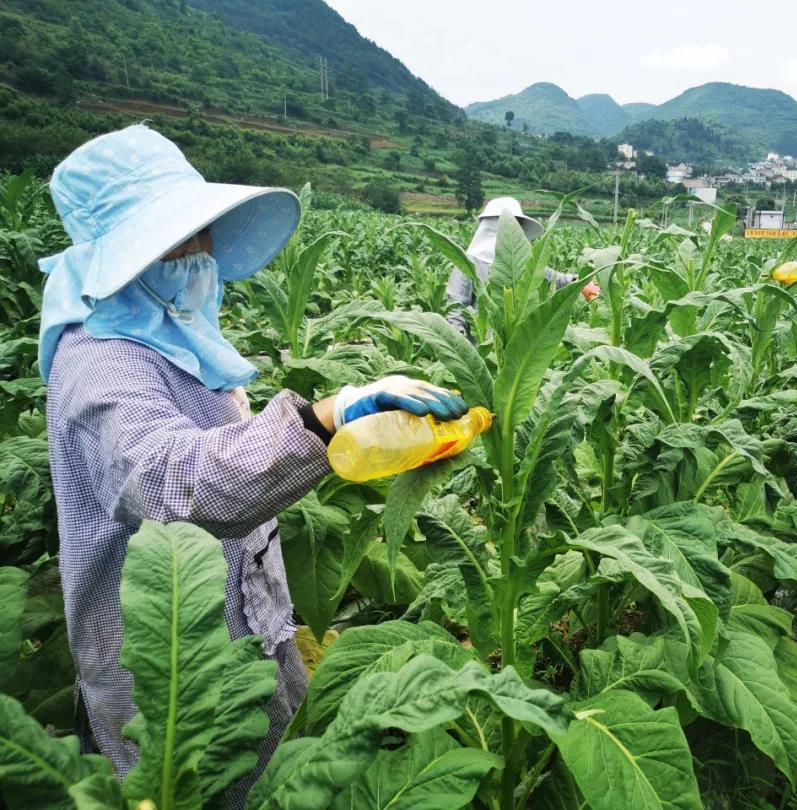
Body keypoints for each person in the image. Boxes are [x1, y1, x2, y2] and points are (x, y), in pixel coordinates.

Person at [39, 125, 469, 791]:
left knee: (276, 770)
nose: (201, 251)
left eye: (200, 230)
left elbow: (225, 432)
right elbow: (173, 484)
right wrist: (322, 419)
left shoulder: (166, 326)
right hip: (172, 669)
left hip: (252, 619)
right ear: (119, 256)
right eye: (174, 239)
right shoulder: (101, 361)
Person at [446, 196, 600, 335]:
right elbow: (456, 310)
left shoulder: (525, 265)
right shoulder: (468, 264)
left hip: (520, 354)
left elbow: (556, 279)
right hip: (483, 356)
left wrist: (582, 284)